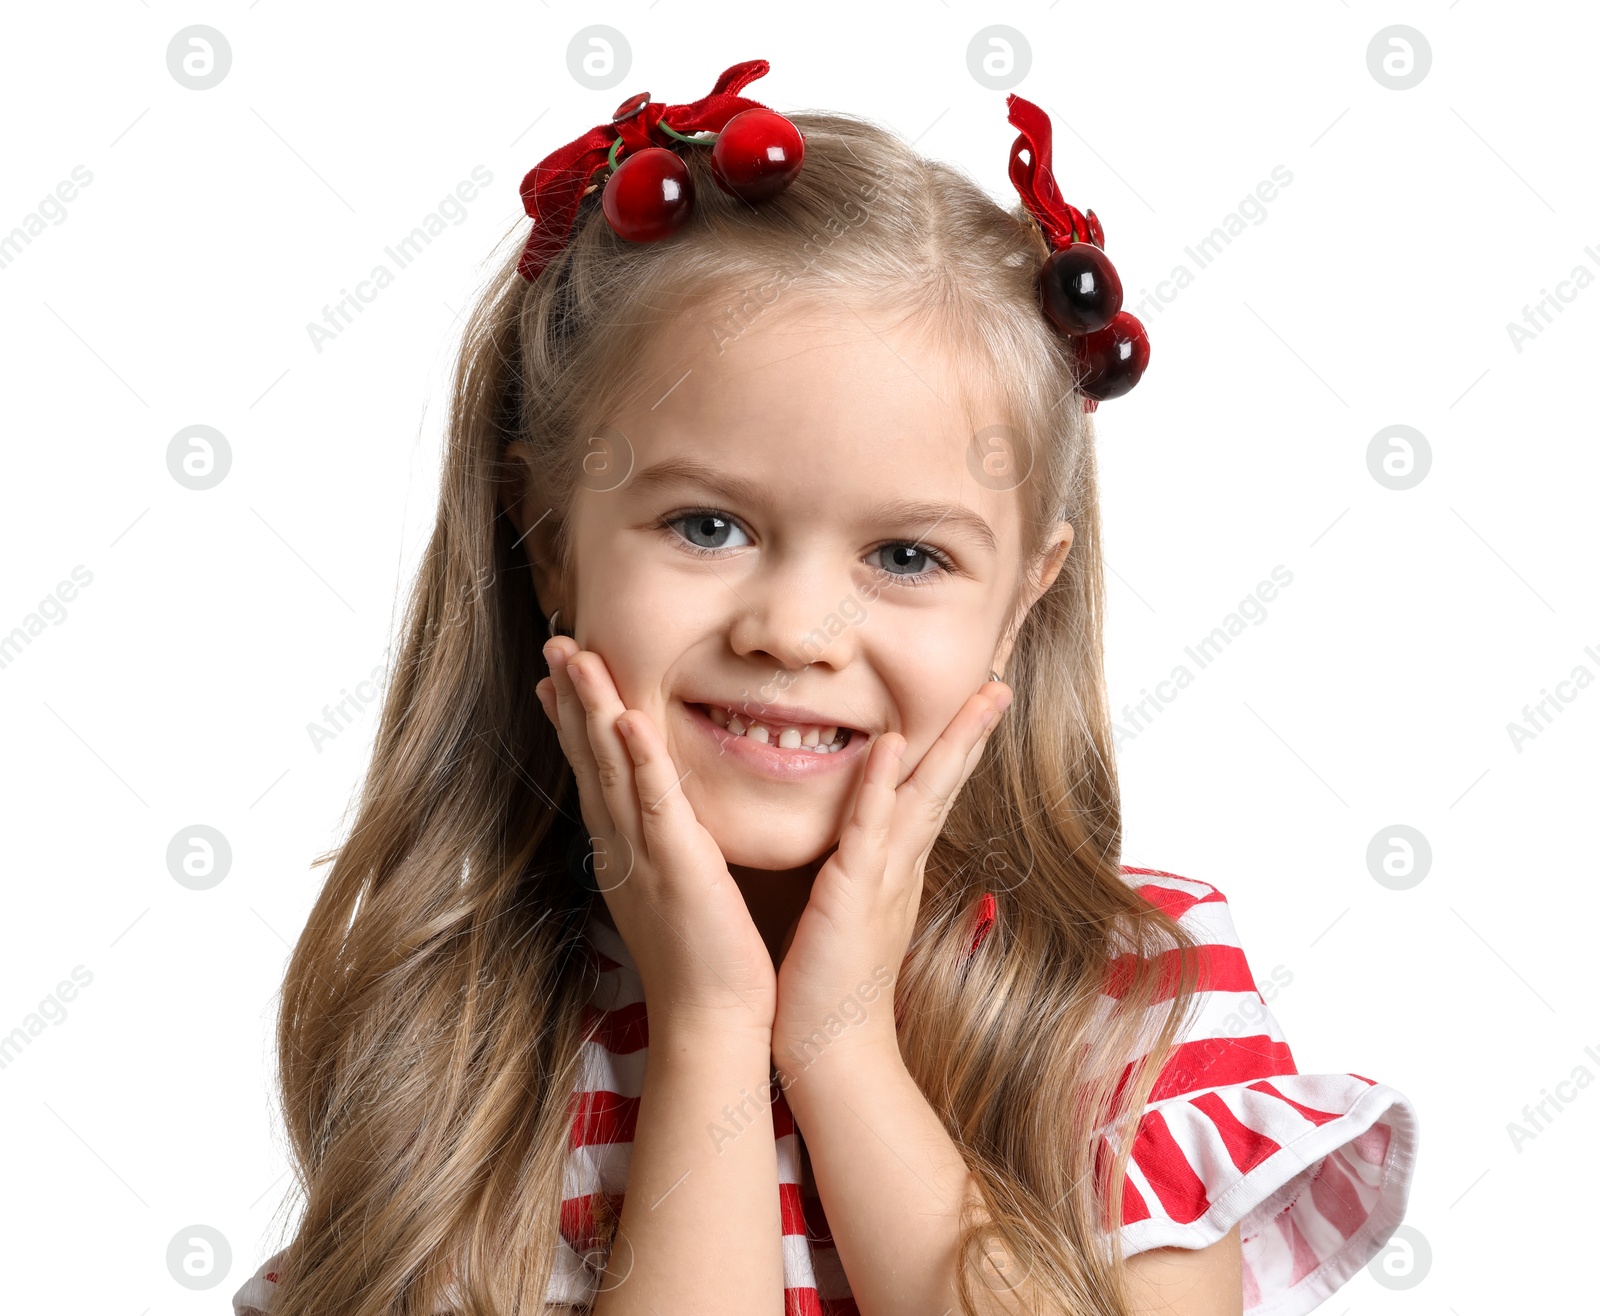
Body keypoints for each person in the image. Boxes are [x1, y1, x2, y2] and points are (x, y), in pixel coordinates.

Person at [233, 58, 1416, 1316]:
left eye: (906, 555)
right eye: (705, 526)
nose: (797, 631)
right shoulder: (464, 1027)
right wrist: (707, 1025)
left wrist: (838, 1041)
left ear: (1025, 593)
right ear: (545, 532)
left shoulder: (1125, 988)